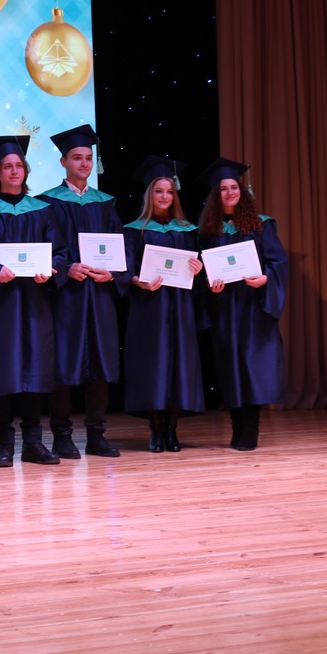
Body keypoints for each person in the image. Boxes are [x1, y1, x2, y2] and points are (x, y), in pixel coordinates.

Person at [0, 135, 67, 467]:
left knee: (34, 370)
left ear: (26, 170)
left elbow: (61, 253)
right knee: (2, 371)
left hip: (35, 303)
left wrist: (51, 270)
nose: (14, 171)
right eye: (7, 166)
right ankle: (4, 444)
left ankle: (33, 442)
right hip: (2, 305)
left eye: (19, 165)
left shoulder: (43, 212)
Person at [38, 124, 128, 458]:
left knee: (100, 363)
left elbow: (121, 249)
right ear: (63, 162)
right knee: (63, 364)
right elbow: (42, 247)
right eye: (77, 158)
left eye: (88, 158)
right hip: (66, 297)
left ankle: (96, 435)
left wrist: (113, 273)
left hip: (99, 295)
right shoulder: (47, 203)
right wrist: (65, 269)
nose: (84, 163)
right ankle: (62, 435)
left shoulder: (104, 203)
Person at [197, 157, 287, 451]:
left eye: (234, 187)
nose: (229, 192)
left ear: (242, 191)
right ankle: (236, 427)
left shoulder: (262, 225)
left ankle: (250, 429)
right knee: (230, 367)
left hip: (253, 307)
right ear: (216, 194)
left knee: (253, 368)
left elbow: (278, 262)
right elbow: (201, 270)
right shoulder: (208, 231)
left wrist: (265, 278)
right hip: (224, 308)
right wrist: (209, 284)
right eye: (223, 189)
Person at [122, 156, 204, 452]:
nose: (165, 197)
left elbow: (198, 271)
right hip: (149, 306)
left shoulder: (188, 230)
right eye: (159, 191)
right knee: (152, 365)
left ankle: (172, 429)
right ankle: (155, 429)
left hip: (180, 307)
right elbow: (124, 267)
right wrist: (137, 281)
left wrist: (199, 269)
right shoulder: (134, 230)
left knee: (179, 365)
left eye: (169, 192)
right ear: (149, 195)